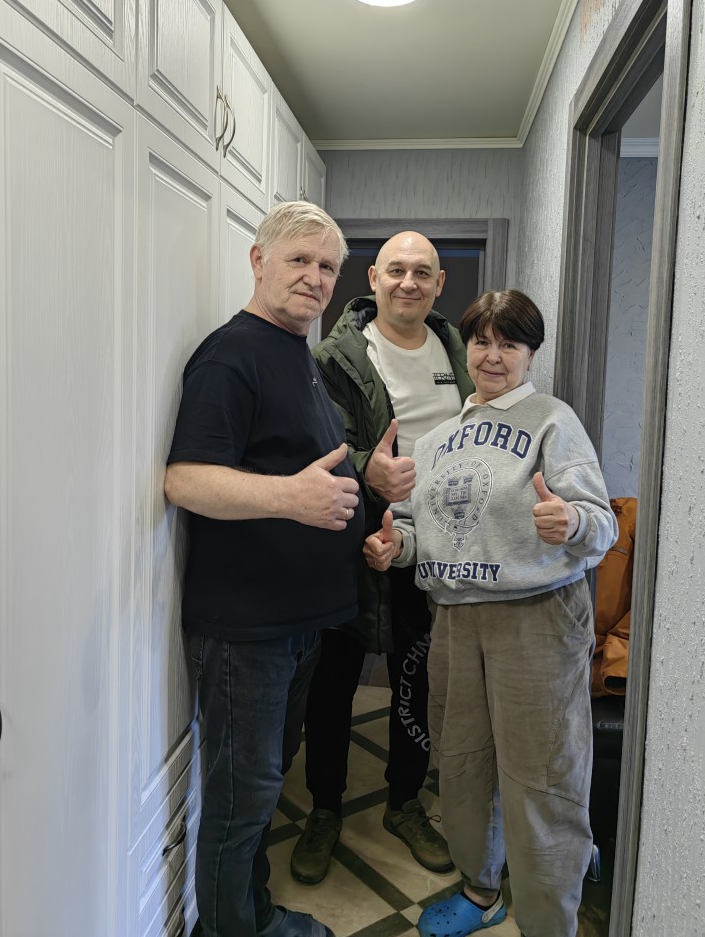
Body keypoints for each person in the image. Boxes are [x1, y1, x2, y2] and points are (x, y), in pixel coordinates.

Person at [364, 289, 618, 937]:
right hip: (455, 620)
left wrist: (571, 522)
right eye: (482, 341)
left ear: (531, 353)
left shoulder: (552, 420)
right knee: (463, 763)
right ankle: (481, 891)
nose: (494, 356)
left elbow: (601, 522)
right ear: (467, 347)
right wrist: (395, 546)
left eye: (511, 343)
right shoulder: (436, 439)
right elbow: (418, 529)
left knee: (543, 777)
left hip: (537, 618)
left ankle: (549, 920)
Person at [164, 201, 364, 937]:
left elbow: (302, 463)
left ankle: (252, 916)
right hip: (246, 632)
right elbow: (185, 479)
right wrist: (292, 499)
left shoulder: (295, 353)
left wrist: (362, 508)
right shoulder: (231, 356)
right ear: (258, 261)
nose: (315, 277)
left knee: (260, 795)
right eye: (299, 260)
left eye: (327, 267)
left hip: (296, 625)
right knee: (237, 807)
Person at [290, 231, 474, 886]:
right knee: (334, 682)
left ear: (439, 284)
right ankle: (324, 808)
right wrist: (370, 468)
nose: (408, 283)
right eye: (396, 270)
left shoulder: (459, 350)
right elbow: (313, 442)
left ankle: (404, 802)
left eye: (422, 272)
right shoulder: (336, 356)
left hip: (433, 549)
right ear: (373, 278)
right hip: (353, 544)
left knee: (416, 680)